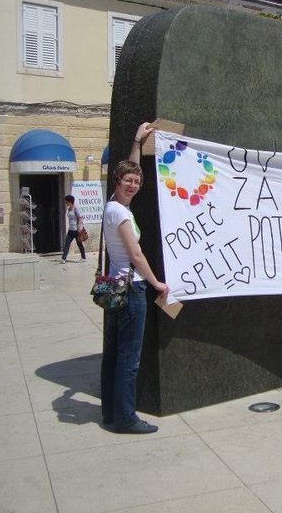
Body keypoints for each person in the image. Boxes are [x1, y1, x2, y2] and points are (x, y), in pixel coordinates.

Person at [101, 122, 169, 434]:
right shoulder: (121, 214)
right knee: (129, 358)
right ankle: (127, 419)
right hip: (131, 290)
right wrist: (157, 284)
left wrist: (137, 142)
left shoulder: (113, 206)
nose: (133, 185)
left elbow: (132, 168)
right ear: (116, 181)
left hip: (116, 287)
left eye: (137, 182)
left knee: (114, 353)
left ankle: (111, 413)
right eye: (127, 181)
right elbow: (137, 256)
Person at [60, 195, 86, 263]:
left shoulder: (75, 208)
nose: (66, 203)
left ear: (70, 201)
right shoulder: (69, 209)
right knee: (67, 244)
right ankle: (63, 258)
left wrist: (79, 227)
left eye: (66, 201)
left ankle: (83, 258)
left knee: (79, 244)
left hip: (76, 230)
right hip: (70, 230)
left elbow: (80, 218)